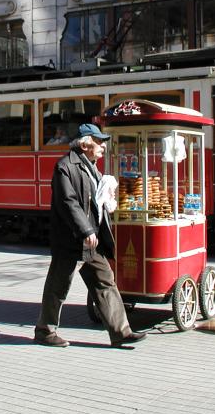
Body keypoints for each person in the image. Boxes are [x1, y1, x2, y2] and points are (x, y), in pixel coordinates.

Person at [34, 123, 146, 348]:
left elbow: (92, 201)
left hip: (92, 241)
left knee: (106, 283)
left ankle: (121, 332)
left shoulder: (91, 167)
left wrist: (108, 202)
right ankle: (45, 332)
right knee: (58, 286)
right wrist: (85, 230)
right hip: (72, 240)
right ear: (85, 144)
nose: (103, 145)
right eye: (99, 141)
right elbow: (69, 203)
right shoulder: (65, 167)